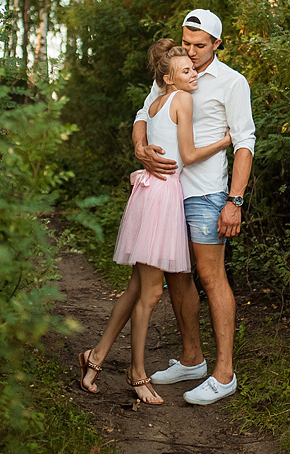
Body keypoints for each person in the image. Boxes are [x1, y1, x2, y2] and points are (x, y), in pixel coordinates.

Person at [78, 39, 232, 405]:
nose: (194, 74)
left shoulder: (157, 102)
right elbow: (188, 155)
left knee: (136, 287)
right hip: (163, 196)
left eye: (193, 68)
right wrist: (225, 140)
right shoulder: (182, 99)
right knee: (150, 293)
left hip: (150, 193)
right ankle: (136, 372)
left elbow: (145, 123)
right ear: (168, 77)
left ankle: (95, 356)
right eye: (186, 70)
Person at [134, 9, 255, 406]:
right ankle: (191, 359)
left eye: (200, 45)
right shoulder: (172, 74)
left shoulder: (232, 82)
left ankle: (224, 374)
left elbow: (244, 142)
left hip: (206, 194)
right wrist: (140, 148)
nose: (191, 51)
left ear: (217, 43)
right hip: (167, 192)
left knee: (210, 275)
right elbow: (142, 115)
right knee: (177, 275)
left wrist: (234, 200)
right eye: (186, 43)